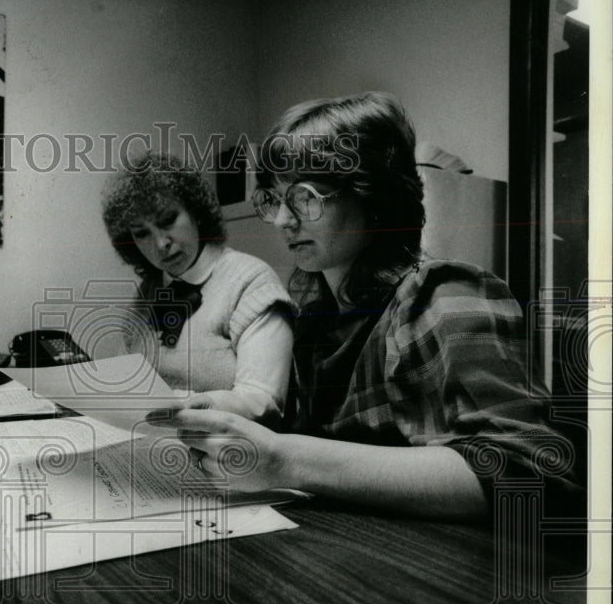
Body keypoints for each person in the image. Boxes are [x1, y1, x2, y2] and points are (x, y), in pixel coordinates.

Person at [152, 92, 582, 521]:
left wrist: (285, 458)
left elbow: (532, 473)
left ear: (374, 196)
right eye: (274, 200)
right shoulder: (318, 324)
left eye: (304, 197)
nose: (284, 220)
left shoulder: (443, 295)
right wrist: (234, 414)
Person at [100, 151, 295, 425]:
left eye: (168, 220)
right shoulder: (146, 293)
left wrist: (196, 407)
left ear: (197, 212)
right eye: (142, 233)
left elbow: (263, 401)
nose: (160, 244)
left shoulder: (251, 281)